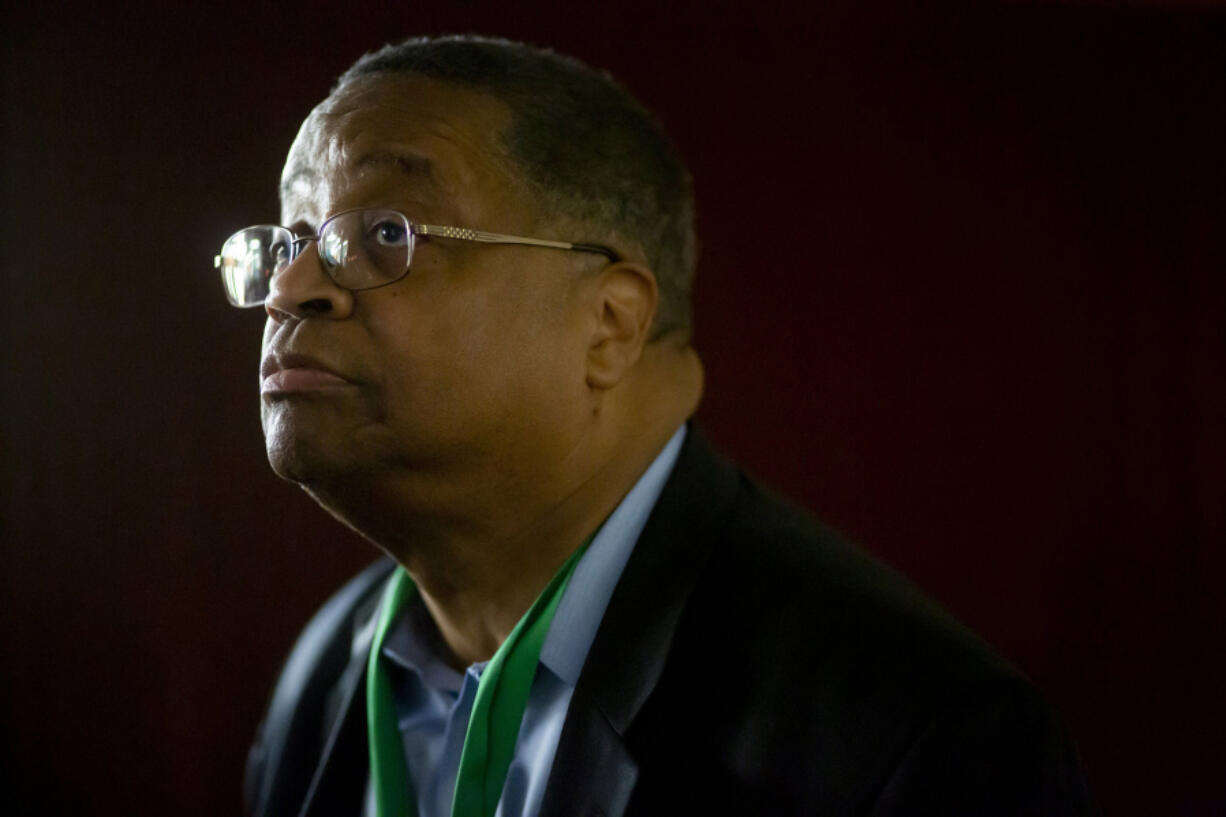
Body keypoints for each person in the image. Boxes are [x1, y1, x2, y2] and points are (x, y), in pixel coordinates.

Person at [222, 35, 1096, 817]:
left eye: (383, 231)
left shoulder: (915, 739)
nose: (291, 289)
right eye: (290, 242)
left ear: (609, 324)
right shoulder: (322, 677)